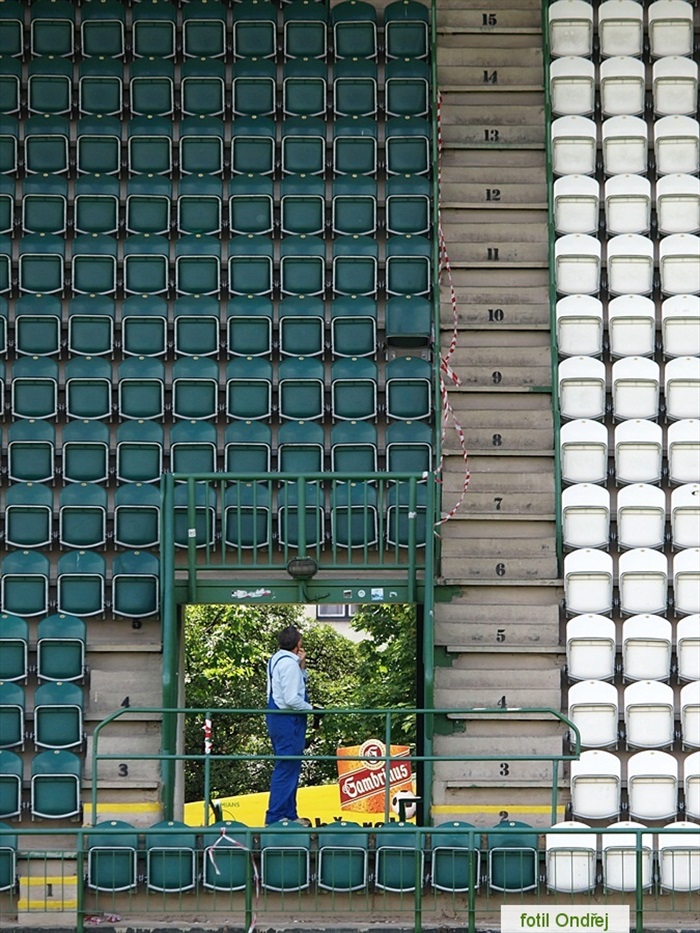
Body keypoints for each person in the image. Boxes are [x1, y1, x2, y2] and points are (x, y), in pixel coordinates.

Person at [264, 625, 314, 826]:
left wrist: (302, 668)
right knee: (287, 767)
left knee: (289, 767)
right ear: (298, 644)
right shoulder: (290, 665)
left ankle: (290, 814)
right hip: (288, 719)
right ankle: (275, 816)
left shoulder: (276, 660)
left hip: (277, 717)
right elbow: (292, 699)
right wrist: (312, 709)